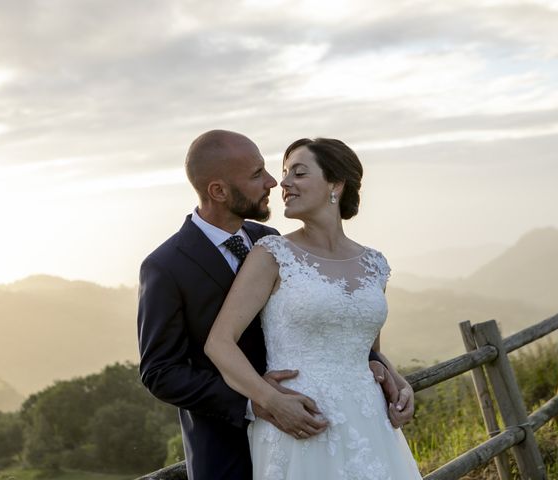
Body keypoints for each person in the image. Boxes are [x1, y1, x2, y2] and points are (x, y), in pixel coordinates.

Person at [138, 130, 413, 480]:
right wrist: (259, 401)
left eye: (288, 172)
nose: (274, 182)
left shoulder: (268, 241)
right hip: (227, 443)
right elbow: (160, 372)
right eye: (258, 175)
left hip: (349, 423)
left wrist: (392, 377)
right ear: (218, 191)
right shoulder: (166, 265)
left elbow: (338, 328)